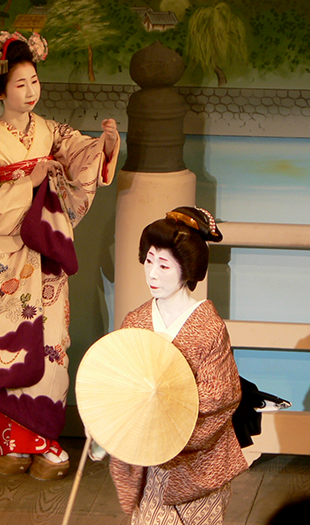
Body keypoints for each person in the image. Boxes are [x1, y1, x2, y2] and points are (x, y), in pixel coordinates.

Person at [0, 31, 120, 480]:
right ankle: (8, 442)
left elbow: (77, 152)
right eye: (20, 84)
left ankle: (44, 439)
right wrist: (29, 181)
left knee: (49, 342)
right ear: (0, 89)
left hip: (44, 253)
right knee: (6, 344)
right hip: (3, 257)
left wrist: (102, 147)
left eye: (34, 81)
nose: (30, 91)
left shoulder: (48, 130)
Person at [110, 206, 248, 523]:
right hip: (148, 461)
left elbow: (221, 396)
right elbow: (117, 379)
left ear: (187, 269)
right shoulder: (136, 322)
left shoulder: (209, 328)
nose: (152, 274)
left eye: (164, 265)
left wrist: (168, 422)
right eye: (148, 261)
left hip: (196, 462)